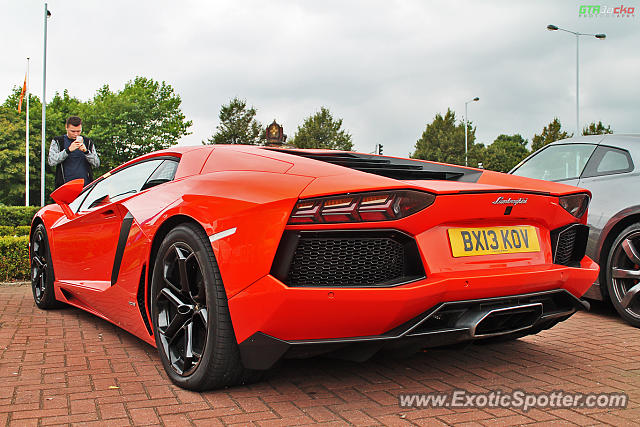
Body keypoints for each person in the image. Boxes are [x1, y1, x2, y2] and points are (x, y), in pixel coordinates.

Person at [48, 116, 100, 188]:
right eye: (72, 131)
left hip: (86, 187)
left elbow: (97, 163)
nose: (76, 134)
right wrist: (68, 151)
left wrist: (86, 152)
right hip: (65, 187)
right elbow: (51, 161)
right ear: (66, 127)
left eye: (78, 131)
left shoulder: (88, 142)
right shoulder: (58, 141)